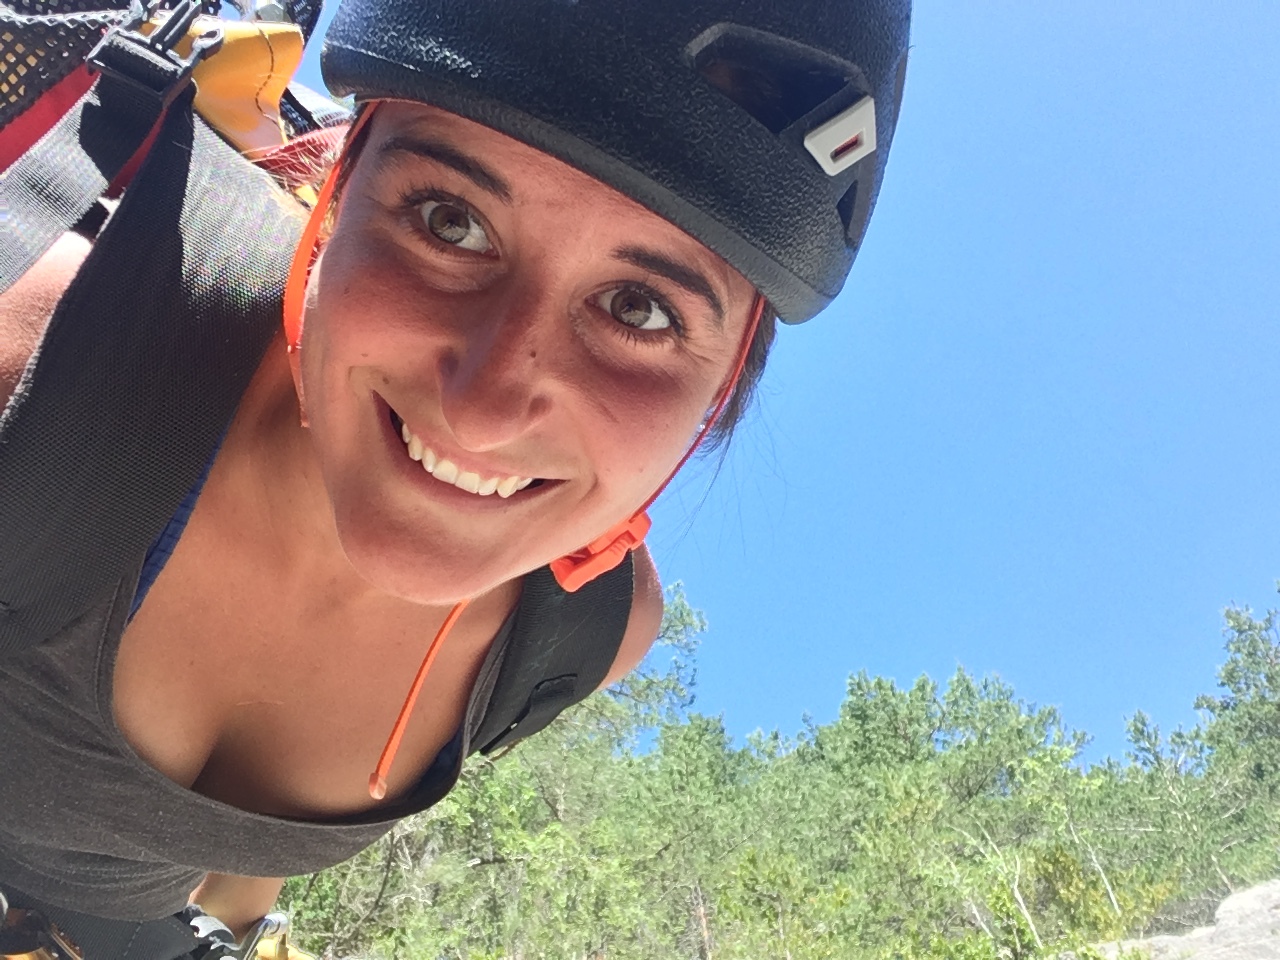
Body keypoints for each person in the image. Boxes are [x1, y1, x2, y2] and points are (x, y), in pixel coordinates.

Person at [0, 0, 911, 956]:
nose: (482, 410)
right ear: (334, 195)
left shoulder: (578, 634)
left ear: (719, 396)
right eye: (450, 221)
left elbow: (236, 851)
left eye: (639, 308)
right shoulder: (48, 368)